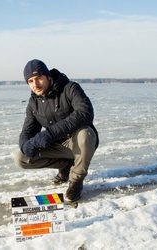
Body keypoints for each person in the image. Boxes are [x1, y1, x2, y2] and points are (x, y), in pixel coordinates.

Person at [15, 59, 99, 202]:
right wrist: (25, 145)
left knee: (86, 134)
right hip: (58, 145)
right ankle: (65, 166)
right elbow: (27, 132)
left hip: (79, 142)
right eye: (30, 81)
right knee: (21, 158)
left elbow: (85, 112)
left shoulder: (70, 88)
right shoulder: (33, 104)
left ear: (48, 76)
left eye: (39, 78)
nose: (35, 84)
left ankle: (76, 181)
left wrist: (50, 134)